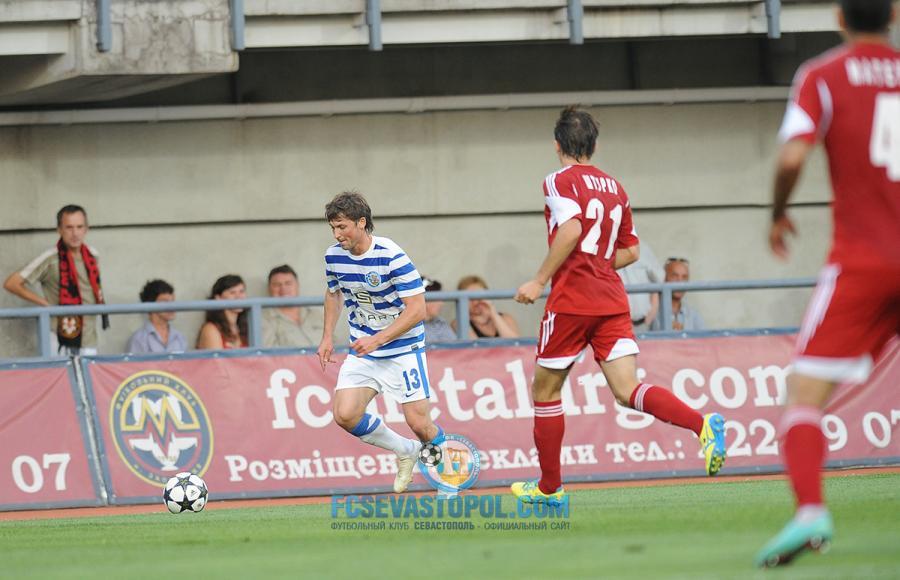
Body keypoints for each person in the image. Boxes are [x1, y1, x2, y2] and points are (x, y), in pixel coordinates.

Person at [510, 106, 727, 506]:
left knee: (545, 390)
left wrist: (539, 280)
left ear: (557, 145)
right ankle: (702, 425)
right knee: (628, 390)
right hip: (611, 299)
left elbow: (571, 228)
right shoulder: (615, 187)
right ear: (594, 145)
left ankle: (550, 489)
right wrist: (596, 265)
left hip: (572, 301)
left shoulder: (558, 180)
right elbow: (632, 251)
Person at [755, 0, 900, 568]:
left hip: (863, 262)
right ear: (893, 14)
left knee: (803, 394)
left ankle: (812, 511)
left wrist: (777, 212)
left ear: (840, 17)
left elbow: (793, 155)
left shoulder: (822, 75)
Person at [317, 191, 445, 494]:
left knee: (419, 424)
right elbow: (334, 293)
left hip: (403, 349)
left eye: (342, 227)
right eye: (333, 228)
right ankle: (405, 450)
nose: (337, 235)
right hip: (365, 349)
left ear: (361, 223)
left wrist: (379, 339)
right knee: (345, 415)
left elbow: (418, 309)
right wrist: (327, 336)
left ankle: (449, 473)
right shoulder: (333, 256)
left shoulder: (391, 256)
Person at [2, 204, 108, 356]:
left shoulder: (92, 255)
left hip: (89, 338)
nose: (75, 233)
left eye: (79, 227)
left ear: (86, 229)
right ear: (59, 230)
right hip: (59, 338)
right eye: (69, 227)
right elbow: (12, 283)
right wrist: (45, 304)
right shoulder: (50, 258)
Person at [263, 264, 323, 348]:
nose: (283, 289)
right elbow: (268, 353)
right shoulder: (264, 320)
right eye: (277, 285)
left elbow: (335, 344)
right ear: (269, 289)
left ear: (297, 285)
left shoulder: (316, 314)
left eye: (288, 283)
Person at [125, 279, 187, 354]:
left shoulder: (179, 337)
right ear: (150, 305)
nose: (172, 306)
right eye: (165, 301)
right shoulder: (138, 339)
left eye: (172, 301)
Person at [616, 240, 664, 332]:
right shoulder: (604, 248)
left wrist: (651, 314)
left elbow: (658, 280)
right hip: (615, 325)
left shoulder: (642, 248)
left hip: (641, 324)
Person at [451, 275, 520, 338]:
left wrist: (493, 314)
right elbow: (476, 346)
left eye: (479, 296)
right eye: (470, 298)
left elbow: (515, 344)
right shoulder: (459, 323)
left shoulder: (506, 318)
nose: (475, 302)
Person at [649, 257, 705, 331]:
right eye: (674, 276)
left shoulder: (693, 315)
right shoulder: (651, 312)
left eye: (684, 277)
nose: (680, 281)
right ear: (664, 278)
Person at [196, 275, 248, 350]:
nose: (239, 297)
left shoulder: (244, 327)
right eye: (232, 292)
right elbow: (216, 357)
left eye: (241, 291)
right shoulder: (211, 329)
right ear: (218, 298)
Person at [421, 277, 457, 343]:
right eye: (436, 299)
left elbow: (454, 346)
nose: (441, 303)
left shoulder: (440, 322)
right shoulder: (410, 325)